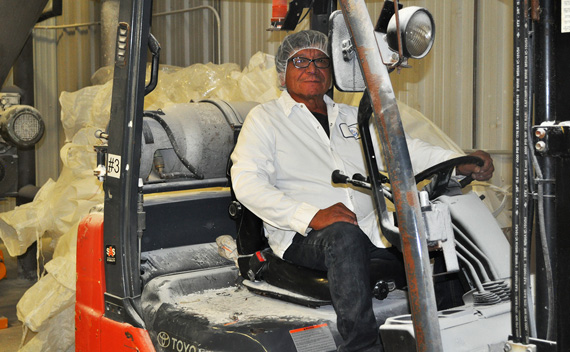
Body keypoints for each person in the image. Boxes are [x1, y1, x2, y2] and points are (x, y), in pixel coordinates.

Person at [230, 30, 494, 352]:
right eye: (301, 61)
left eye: (321, 61)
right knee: (343, 235)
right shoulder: (265, 120)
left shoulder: (352, 119)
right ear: (283, 74)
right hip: (303, 236)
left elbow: (403, 150)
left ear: (332, 74)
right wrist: (312, 215)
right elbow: (247, 183)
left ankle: (452, 333)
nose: (312, 68)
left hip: (370, 228)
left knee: (436, 223)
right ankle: (362, 346)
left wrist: (458, 162)